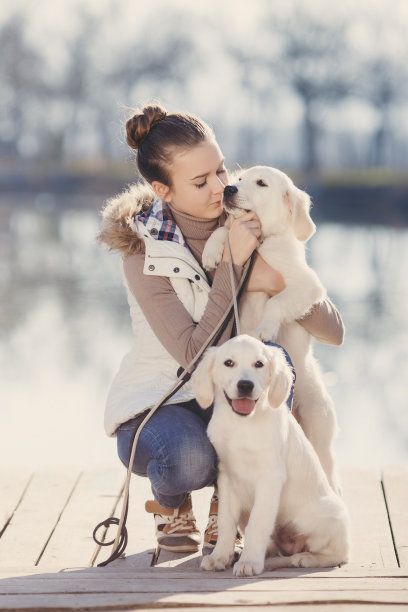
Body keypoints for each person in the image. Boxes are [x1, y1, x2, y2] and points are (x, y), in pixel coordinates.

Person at [98, 103, 344, 554]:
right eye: (200, 181)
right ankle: (172, 505)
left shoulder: (247, 220)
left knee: (278, 362)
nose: (221, 187)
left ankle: (231, 509)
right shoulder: (143, 253)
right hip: (160, 401)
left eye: (221, 170)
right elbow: (194, 352)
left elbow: (333, 331)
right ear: (162, 190)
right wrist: (234, 262)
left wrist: (273, 279)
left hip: (224, 396)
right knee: (189, 458)